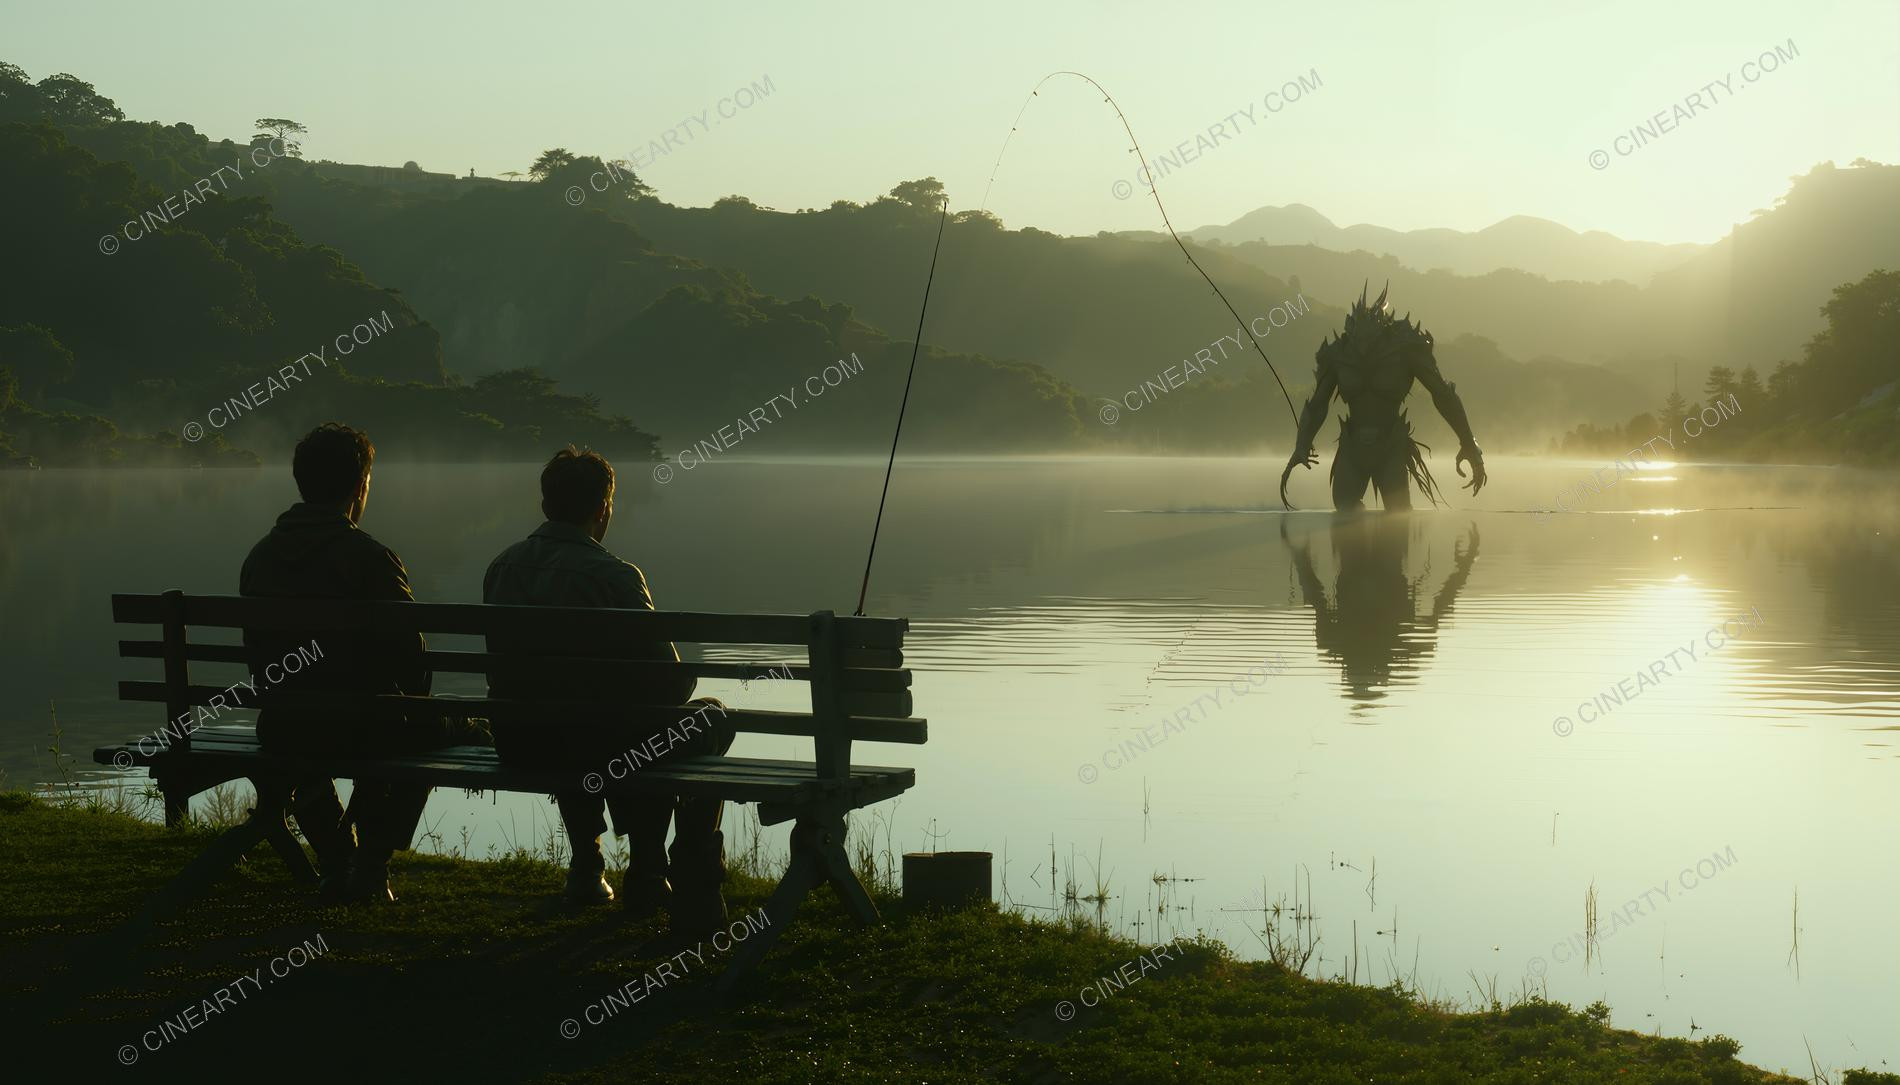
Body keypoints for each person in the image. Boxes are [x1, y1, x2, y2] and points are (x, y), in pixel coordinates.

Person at [482, 447, 733, 928]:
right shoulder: (617, 577)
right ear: (603, 509)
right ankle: (669, 870)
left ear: (545, 505)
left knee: (585, 719)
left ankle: (589, 866)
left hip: (521, 741)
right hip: (605, 745)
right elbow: (671, 684)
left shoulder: (501, 568)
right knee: (708, 717)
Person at [240, 422, 457, 903]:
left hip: (282, 724)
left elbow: (257, 653)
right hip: (363, 726)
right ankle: (371, 864)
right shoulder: (371, 558)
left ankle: (338, 859)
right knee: (426, 733)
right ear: (360, 485)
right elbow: (412, 658)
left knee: (312, 748)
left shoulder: (260, 557)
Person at [1280, 282, 1488, 511]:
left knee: (1398, 517)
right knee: (1345, 510)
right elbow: (1318, 404)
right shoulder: (1339, 353)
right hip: (1352, 447)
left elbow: (1442, 394)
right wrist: (1301, 445)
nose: (1363, 345)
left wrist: (1469, 444)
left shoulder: (1405, 348)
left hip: (1391, 445)